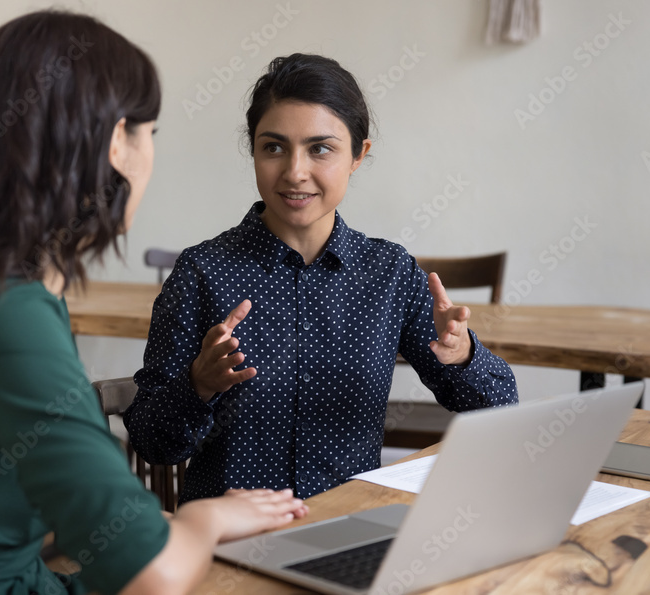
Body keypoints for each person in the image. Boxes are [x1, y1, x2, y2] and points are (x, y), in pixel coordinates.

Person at [0, 11, 307, 595]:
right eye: (149, 134)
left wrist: (163, 527)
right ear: (114, 145)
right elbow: (153, 578)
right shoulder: (8, 315)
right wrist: (206, 518)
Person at [124, 53, 519, 504]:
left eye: (320, 148)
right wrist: (198, 385)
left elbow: (498, 410)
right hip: (227, 542)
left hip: (346, 533)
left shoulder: (390, 273)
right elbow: (152, 444)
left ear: (357, 155)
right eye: (273, 147)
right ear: (252, 150)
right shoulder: (202, 272)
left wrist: (463, 355)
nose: (295, 172)